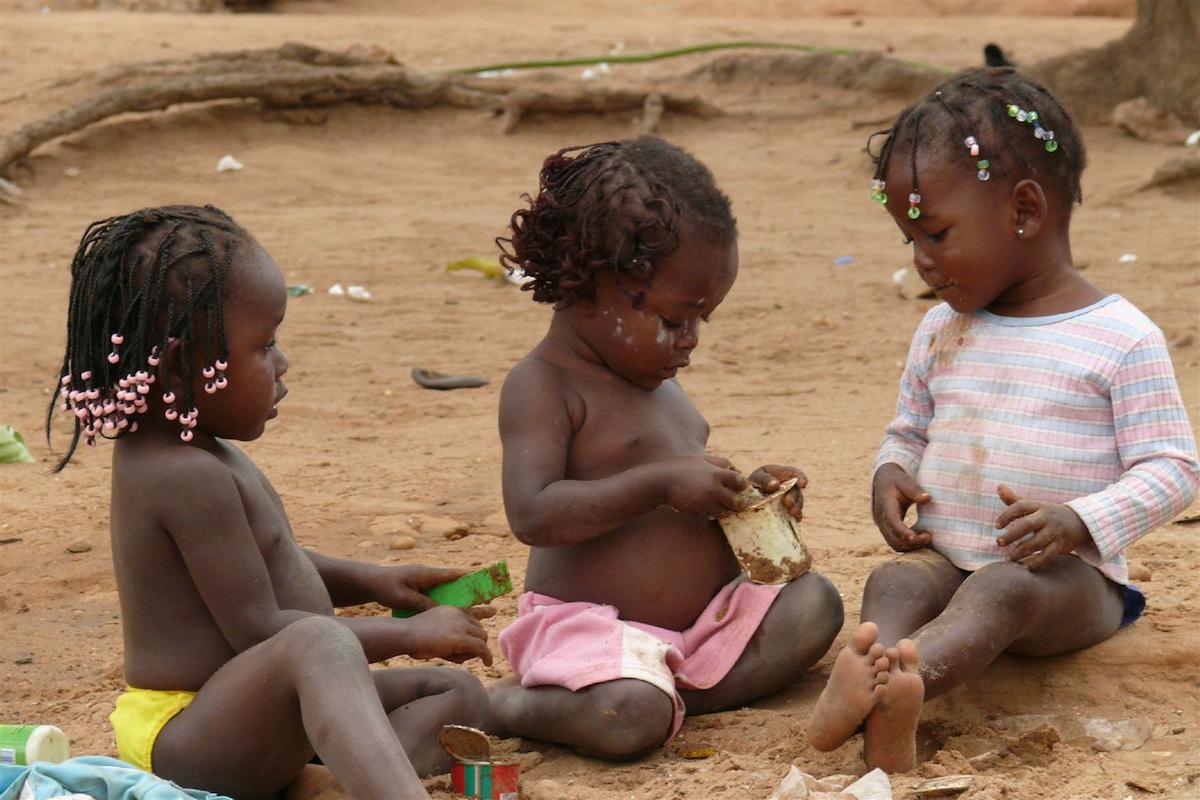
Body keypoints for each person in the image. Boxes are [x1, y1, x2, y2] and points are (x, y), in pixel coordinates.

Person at [806, 68, 1200, 773]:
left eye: (936, 235)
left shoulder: (1120, 336)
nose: (923, 261)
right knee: (895, 583)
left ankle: (905, 684)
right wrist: (890, 471)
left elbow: (1174, 469)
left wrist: (1079, 521)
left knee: (1002, 588)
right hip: (949, 558)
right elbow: (910, 427)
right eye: (909, 242)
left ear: (1023, 212)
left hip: (1070, 585)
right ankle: (872, 680)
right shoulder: (940, 328)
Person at [47, 205, 495, 800]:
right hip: (191, 732)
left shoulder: (196, 451)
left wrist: (373, 581)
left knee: (455, 698)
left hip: (257, 717)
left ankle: (329, 782)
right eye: (265, 345)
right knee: (320, 641)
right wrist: (408, 634)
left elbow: (265, 560)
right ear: (184, 364)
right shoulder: (180, 475)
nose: (282, 364)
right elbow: (261, 629)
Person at [488, 137, 844, 761]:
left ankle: (674, 697)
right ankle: (513, 703)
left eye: (703, 319)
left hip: (701, 625)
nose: (692, 340)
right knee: (625, 713)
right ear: (595, 283)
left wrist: (748, 496)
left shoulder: (663, 386)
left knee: (816, 604)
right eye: (676, 320)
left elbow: (684, 491)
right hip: (594, 636)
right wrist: (657, 483)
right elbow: (533, 512)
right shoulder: (544, 384)